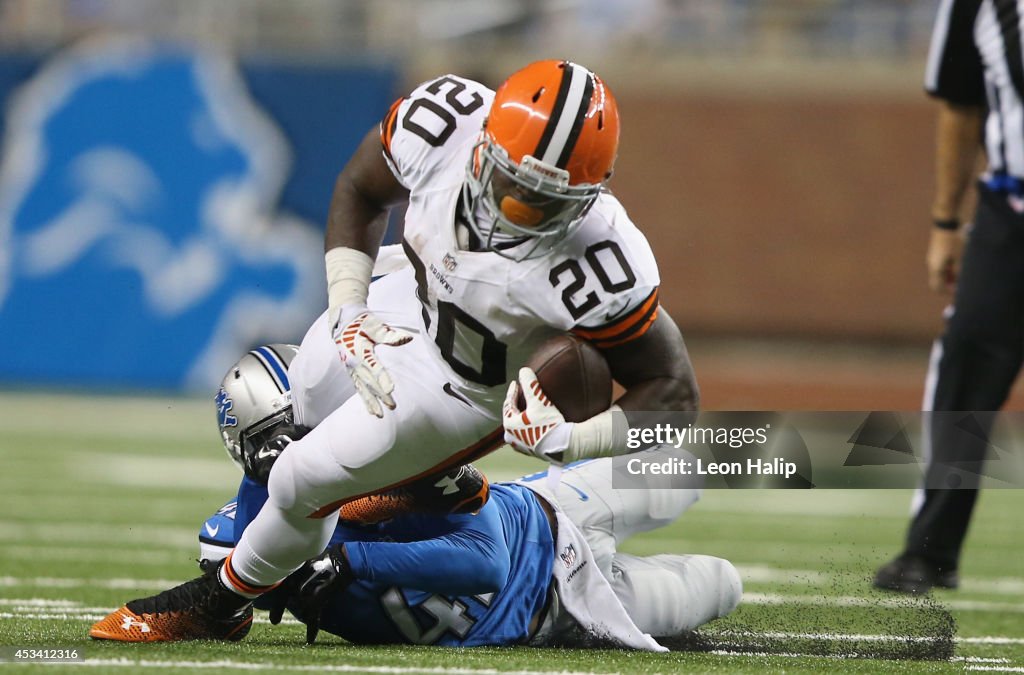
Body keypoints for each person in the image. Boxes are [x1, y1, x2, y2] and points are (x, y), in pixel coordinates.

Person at [89, 59, 699, 641]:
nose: (517, 210)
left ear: (589, 197)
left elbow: (673, 391)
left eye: (545, 202)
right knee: (283, 401)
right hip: (411, 295)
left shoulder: (602, 260)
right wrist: (350, 310)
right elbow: (359, 189)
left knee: (302, 481)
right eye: (511, 183)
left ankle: (217, 605)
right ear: (483, 141)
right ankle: (415, 487)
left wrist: (573, 440)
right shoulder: (442, 124)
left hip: (466, 383)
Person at [91, 350, 738, 648]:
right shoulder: (237, 540)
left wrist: (355, 564)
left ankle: (843, 446)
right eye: (289, 437)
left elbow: (486, 556)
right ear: (257, 454)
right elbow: (216, 610)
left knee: (709, 459)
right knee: (719, 583)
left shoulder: (384, 445)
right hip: (552, 605)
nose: (318, 442)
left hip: (538, 509)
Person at [875, 0, 1021, 594]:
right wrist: (944, 224)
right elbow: (961, 104)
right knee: (964, 366)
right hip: (1009, 212)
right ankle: (930, 549)